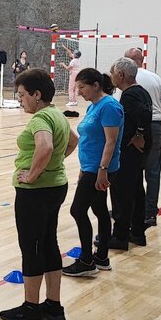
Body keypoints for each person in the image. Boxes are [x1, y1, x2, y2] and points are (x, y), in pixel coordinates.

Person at [0, 69, 76, 320]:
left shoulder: (40, 119)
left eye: (22, 95)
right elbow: (73, 141)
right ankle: (53, 305)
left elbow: (45, 146)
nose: (20, 100)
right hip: (56, 186)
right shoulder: (58, 114)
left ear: (37, 94)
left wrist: (33, 174)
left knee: (31, 247)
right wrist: (52, 166)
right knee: (49, 243)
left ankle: (31, 308)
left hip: (36, 192)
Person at [63, 68, 122, 277]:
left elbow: (111, 141)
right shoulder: (93, 106)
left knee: (77, 210)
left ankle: (87, 260)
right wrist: (83, 169)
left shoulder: (109, 107)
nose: (79, 92)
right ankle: (102, 258)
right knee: (99, 208)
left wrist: (102, 171)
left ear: (96, 85)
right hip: (90, 168)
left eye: (82, 87)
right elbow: (90, 139)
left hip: (98, 169)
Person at [120, 48, 161, 228]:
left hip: (133, 130)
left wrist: (138, 133)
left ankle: (130, 211)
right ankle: (150, 213)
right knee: (153, 172)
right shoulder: (155, 78)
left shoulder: (126, 81)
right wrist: (157, 128)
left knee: (130, 171)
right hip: (155, 125)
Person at [106, 57, 153, 249]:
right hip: (138, 153)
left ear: (121, 75)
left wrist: (139, 134)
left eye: (112, 73)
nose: (111, 76)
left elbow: (144, 114)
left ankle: (120, 236)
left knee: (122, 193)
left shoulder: (130, 95)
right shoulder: (142, 92)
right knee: (136, 191)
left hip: (129, 151)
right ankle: (137, 232)